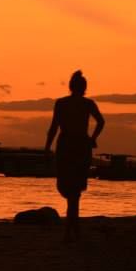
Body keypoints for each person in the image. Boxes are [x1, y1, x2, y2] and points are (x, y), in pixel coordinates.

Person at [45, 70, 104, 242]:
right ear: (84, 87)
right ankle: (73, 229)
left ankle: (71, 231)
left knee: (69, 189)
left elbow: (54, 128)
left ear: (71, 86)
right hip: (81, 146)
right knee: (74, 191)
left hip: (67, 146)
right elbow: (101, 122)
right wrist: (92, 139)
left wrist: (47, 148)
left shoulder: (61, 103)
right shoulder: (88, 104)